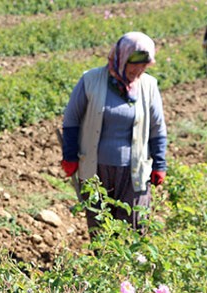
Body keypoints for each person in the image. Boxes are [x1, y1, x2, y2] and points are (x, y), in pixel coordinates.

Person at [61, 32, 167, 237]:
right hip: (96, 169)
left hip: (134, 172)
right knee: (100, 225)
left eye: (144, 65)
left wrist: (160, 164)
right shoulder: (91, 80)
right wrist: (70, 156)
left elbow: (157, 127)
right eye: (134, 64)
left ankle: (129, 268)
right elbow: (71, 119)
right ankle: (103, 266)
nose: (138, 70)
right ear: (122, 57)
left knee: (134, 226)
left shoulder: (149, 86)